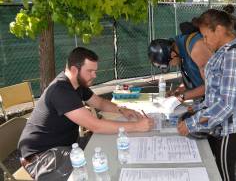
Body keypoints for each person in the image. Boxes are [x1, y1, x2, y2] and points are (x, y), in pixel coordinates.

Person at [18, 47, 154, 180]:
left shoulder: (77, 84)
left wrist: (123, 110)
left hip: (66, 146)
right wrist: (137, 126)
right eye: (90, 71)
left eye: (95, 71)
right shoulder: (61, 90)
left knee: (111, 148)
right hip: (42, 157)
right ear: (73, 70)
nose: (94, 75)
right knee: (96, 171)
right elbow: (96, 126)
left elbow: (99, 103)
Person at [177, 9, 236, 181]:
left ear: (219, 30)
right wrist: (198, 107)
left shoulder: (234, 55)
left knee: (223, 175)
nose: (204, 42)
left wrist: (191, 123)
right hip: (222, 124)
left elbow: (228, 104)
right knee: (216, 169)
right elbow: (217, 92)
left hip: (232, 127)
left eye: (205, 36)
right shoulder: (226, 52)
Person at [148, 25, 212, 104]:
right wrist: (178, 90)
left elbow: (211, 85)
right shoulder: (181, 51)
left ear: (172, 55)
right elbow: (195, 80)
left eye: (169, 63)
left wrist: (182, 97)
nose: (172, 66)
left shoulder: (196, 48)